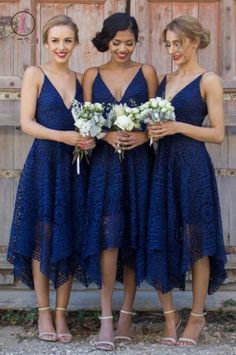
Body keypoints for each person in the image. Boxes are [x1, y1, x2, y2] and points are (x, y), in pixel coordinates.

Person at [7, 15, 95, 343]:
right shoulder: (35, 74)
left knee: (69, 234)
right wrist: (65, 137)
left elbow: (90, 123)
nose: (61, 47)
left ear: (75, 44)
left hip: (74, 167)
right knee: (42, 234)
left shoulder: (81, 78)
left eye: (67, 41)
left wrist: (89, 138)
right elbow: (27, 123)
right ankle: (43, 312)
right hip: (44, 164)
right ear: (46, 43)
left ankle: (62, 314)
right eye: (55, 41)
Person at [147, 15, 227, 347]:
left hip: (193, 167)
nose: (173, 50)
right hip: (162, 165)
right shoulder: (164, 80)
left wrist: (178, 126)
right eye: (168, 44)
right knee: (161, 235)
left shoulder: (209, 80)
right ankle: (169, 316)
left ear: (194, 41)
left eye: (178, 43)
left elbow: (218, 134)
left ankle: (196, 316)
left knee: (197, 240)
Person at [82, 12, 158, 351]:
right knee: (108, 239)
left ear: (136, 41)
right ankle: (106, 319)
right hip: (104, 167)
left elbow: (156, 119)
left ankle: (127, 312)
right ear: (106, 41)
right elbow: (86, 124)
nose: (123, 49)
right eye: (116, 43)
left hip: (139, 166)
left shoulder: (148, 73)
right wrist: (105, 134)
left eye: (129, 43)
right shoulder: (91, 75)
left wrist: (143, 138)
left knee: (132, 237)